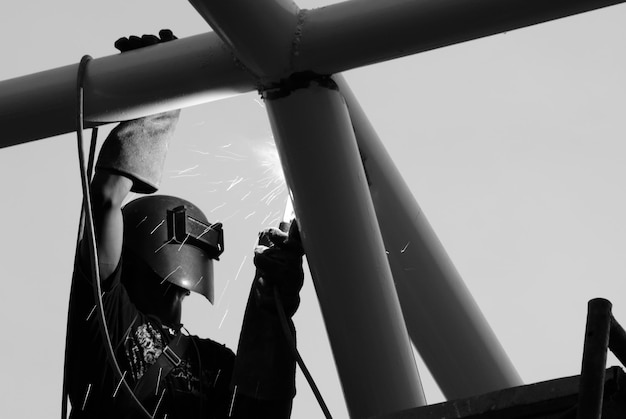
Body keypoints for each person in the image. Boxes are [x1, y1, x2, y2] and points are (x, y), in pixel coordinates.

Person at [66, 31, 305, 419]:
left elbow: (261, 407)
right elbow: (105, 201)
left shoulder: (209, 362)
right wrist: (161, 96)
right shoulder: (109, 325)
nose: (179, 301)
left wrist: (272, 300)